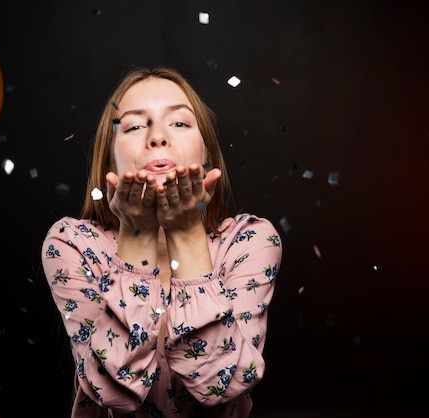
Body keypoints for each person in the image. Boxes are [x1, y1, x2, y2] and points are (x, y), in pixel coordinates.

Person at [41, 66, 283, 417]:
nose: (157, 137)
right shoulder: (72, 244)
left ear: (206, 153)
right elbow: (113, 393)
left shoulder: (250, 240)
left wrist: (185, 232)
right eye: (136, 125)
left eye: (180, 123)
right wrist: (136, 234)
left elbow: (223, 384)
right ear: (110, 160)